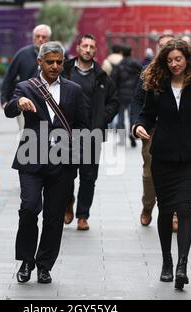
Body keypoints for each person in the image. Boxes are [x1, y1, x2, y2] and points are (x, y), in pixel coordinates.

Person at [132, 39, 191, 290]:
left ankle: (182, 265)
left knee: (185, 209)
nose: (174, 64)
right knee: (166, 211)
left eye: (178, 59)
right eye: (169, 60)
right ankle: (166, 262)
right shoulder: (157, 85)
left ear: (187, 59)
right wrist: (138, 127)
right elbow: (146, 114)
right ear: (164, 62)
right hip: (163, 158)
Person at [4, 41, 89, 284]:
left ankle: (44, 265)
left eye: (59, 62)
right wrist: (17, 103)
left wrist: (78, 155)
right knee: (29, 208)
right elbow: (9, 110)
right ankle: (26, 260)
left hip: (62, 161)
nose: (54, 66)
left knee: (53, 217)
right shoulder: (26, 87)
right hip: (31, 157)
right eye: (49, 61)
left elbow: (82, 125)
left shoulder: (74, 90)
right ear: (39, 62)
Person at [62, 34, 119, 231]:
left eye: (92, 47)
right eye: (84, 46)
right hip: (67, 134)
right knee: (66, 175)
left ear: (96, 51)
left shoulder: (102, 76)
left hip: (91, 135)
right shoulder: (64, 71)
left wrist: (102, 118)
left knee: (88, 177)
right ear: (77, 48)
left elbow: (114, 101)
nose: (88, 50)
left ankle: (83, 215)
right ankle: (68, 202)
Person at [130, 34, 178, 229]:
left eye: (170, 46)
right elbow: (137, 101)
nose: (166, 49)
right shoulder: (147, 72)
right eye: (162, 46)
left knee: (177, 172)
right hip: (152, 130)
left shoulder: (186, 72)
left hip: (177, 131)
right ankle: (148, 205)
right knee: (150, 171)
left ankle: (175, 214)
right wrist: (136, 125)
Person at [0, 24, 52, 131]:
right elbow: (9, 76)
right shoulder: (22, 54)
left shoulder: (55, 56)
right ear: (33, 38)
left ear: (49, 39)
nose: (40, 39)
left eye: (43, 37)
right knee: (25, 134)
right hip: (25, 102)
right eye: (37, 36)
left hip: (49, 103)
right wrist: (4, 99)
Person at [111, 45, 142, 147]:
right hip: (133, 94)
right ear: (131, 52)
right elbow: (142, 77)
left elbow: (113, 81)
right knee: (132, 116)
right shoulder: (137, 64)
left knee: (120, 117)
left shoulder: (119, 65)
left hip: (121, 94)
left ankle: (122, 138)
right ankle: (132, 135)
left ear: (122, 53)